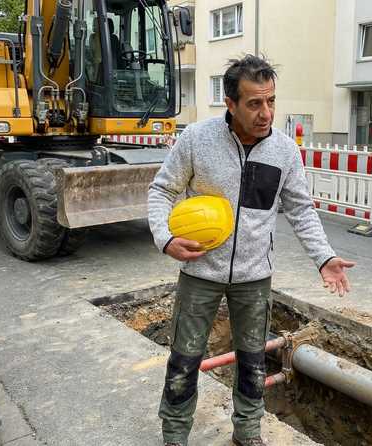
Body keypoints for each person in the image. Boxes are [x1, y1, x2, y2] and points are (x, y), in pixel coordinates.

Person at [148, 55, 355, 446]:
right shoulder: (196, 139)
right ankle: (174, 436)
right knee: (184, 360)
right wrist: (166, 238)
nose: (266, 113)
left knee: (253, 362)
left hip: (254, 278)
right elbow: (162, 190)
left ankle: (247, 433)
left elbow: (300, 209)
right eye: (254, 103)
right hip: (199, 273)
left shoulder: (284, 152)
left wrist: (324, 257)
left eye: (271, 101)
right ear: (230, 103)